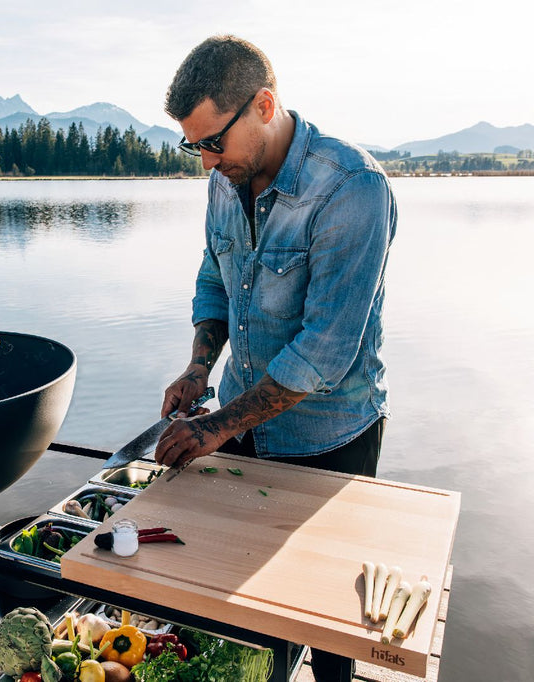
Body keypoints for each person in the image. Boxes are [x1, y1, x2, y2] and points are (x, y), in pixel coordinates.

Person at [153, 35, 397, 682]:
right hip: (241, 421)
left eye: (213, 142)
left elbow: (324, 352)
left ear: (264, 105)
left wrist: (212, 425)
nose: (205, 163)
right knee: (243, 595)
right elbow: (214, 280)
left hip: (331, 434)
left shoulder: (351, 190)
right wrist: (199, 369)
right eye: (193, 145)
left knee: (328, 612)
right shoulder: (225, 182)